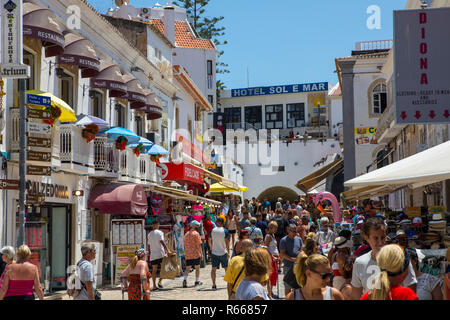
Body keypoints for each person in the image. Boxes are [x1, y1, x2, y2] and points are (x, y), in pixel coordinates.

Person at [350, 218, 417, 300]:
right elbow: (355, 296)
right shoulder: (359, 263)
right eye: (376, 238)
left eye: (383, 237)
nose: (381, 242)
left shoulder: (399, 259)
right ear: (366, 237)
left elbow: (411, 290)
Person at [280, 224, 303, 296]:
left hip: (298, 266)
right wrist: (291, 259)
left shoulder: (299, 239)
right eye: (293, 231)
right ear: (288, 231)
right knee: (288, 286)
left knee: (297, 287)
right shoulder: (283, 240)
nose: (295, 233)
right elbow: (282, 254)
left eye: (295, 231)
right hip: (288, 266)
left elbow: (301, 249)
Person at [148, 218, 171, 291]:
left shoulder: (149, 234)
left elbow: (149, 244)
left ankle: (154, 285)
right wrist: (167, 250)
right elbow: (162, 241)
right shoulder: (160, 232)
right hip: (160, 253)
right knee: (164, 268)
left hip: (153, 254)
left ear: (152, 225)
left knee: (154, 270)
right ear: (158, 225)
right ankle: (160, 282)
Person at [210, 218, 230, 290]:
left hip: (214, 252)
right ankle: (229, 283)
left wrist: (211, 247)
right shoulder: (225, 231)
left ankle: (214, 284)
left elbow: (209, 239)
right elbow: (227, 242)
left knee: (213, 269)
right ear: (222, 223)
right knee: (226, 269)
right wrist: (228, 251)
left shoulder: (212, 230)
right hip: (223, 252)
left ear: (217, 222)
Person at [183, 220, 203, 288]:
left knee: (188, 267)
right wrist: (201, 254)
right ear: (194, 226)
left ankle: (185, 279)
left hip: (188, 254)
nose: (198, 226)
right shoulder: (196, 234)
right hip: (195, 253)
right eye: (197, 225)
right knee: (197, 267)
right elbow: (199, 245)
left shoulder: (186, 234)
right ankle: (197, 281)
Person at [265, 221, 279, 299]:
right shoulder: (268, 236)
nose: (276, 229)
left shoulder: (273, 235)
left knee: (274, 276)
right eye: (275, 227)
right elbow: (266, 248)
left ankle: (271, 291)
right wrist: (272, 256)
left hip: (275, 257)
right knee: (270, 276)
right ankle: (269, 294)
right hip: (271, 257)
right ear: (271, 228)